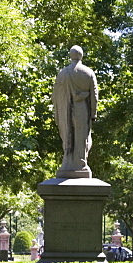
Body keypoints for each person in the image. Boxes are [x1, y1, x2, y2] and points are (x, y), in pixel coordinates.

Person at [52, 45, 99, 178]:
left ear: (71, 56)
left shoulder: (62, 74)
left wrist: (59, 113)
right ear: (81, 55)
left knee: (68, 135)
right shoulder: (88, 73)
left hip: (66, 110)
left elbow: (55, 96)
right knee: (82, 137)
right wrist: (93, 113)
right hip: (82, 110)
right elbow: (94, 95)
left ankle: (68, 162)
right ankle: (81, 163)